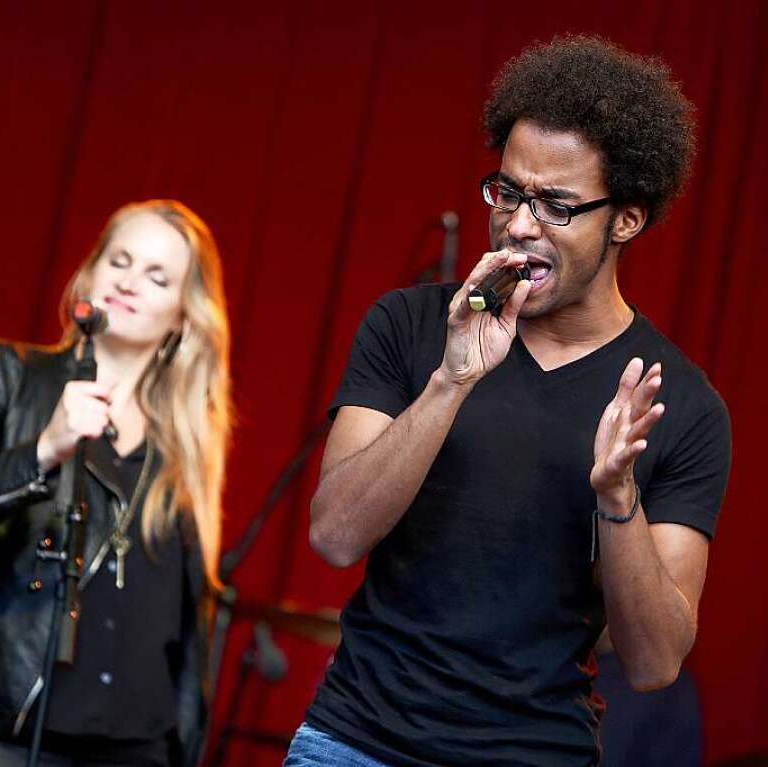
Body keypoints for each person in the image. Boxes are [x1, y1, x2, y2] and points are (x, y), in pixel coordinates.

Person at [284, 35, 731, 767]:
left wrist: (617, 495)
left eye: (555, 205)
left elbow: (653, 662)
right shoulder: (411, 325)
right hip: (354, 743)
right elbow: (334, 535)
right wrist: (450, 380)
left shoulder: (679, 404)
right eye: (508, 192)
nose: (519, 224)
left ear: (625, 219)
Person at [0, 200, 232, 767]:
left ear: (183, 317)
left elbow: (184, 630)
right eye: (120, 261)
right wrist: (42, 452)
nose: (130, 282)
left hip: (135, 748)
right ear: (90, 274)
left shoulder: (184, 450)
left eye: (157, 277)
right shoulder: (4, 374)